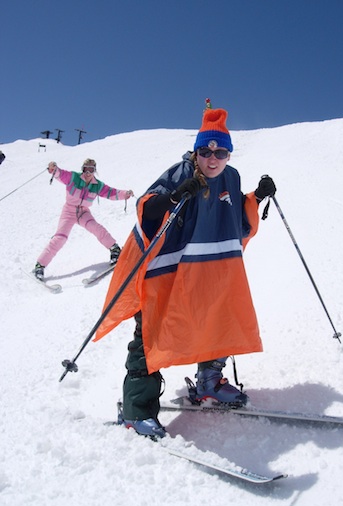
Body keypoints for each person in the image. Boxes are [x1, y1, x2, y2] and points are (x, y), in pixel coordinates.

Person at [94, 107, 276, 439]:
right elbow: (147, 208)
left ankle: (210, 381)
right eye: (205, 151)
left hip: (212, 271)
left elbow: (237, 220)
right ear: (196, 151)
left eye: (220, 152)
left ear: (229, 154)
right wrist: (174, 197)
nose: (212, 159)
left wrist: (258, 196)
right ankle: (136, 410)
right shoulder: (180, 173)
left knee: (218, 319)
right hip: (169, 271)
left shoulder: (231, 177)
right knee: (153, 333)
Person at [33, 159, 134, 280]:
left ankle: (115, 249)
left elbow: (110, 192)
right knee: (60, 238)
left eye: (91, 169)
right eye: (86, 169)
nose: (88, 173)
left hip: (83, 212)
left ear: (94, 171)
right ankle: (40, 265)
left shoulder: (97, 185)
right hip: (69, 211)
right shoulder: (74, 177)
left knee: (96, 228)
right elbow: (61, 174)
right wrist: (54, 169)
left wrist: (125, 194)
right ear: (82, 169)